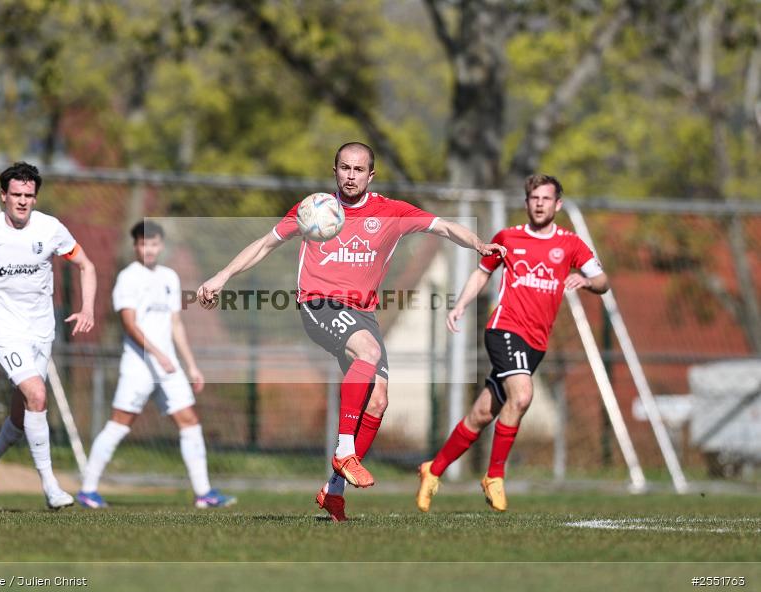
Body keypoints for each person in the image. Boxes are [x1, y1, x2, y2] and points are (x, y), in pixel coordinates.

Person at [198, 142, 505, 521]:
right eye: (344, 168)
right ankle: (345, 451)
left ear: (371, 175)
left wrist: (477, 243)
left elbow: (442, 227)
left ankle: (334, 490)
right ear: (335, 170)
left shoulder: (391, 212)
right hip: (318, 304)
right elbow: (265, 244)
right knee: (369, 353)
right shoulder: (313, 209)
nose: (350, 175)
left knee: (378, 401)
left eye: (358, 170)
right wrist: (221, 276)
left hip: (363, 314)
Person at [416, 174, 610, 513]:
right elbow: (482, 272)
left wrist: (589, 281)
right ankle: (494, 476)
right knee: (522, 395)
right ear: (526, 203)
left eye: (546, 199)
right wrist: (460, 305)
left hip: (536, 342)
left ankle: (433, 470)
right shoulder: (508, 237)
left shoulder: (571, 244)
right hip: (504, 328)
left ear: (557, 205)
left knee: (481, 413)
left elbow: (603, 280)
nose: (539, 204)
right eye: (534, 198)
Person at [0, 161, 96, 509]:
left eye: (29, 195)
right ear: (3, 195)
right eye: (16, 194)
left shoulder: (51, 229)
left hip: (40, 330)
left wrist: (88, 308)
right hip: (1, 327)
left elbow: (86, 265)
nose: (23, 201)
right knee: (37, 394)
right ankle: (50, 486)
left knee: (24, 410)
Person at [76, 221, 236, 509]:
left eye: (153, 244)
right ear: (136, 246)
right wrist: (157, 354)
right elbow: (129, 323)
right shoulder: (128, 277)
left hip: (170, 367)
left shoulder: (169, 277)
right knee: (120, 424)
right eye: (143, 244)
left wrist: (191, 365)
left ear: (160, 246)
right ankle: (88, 489)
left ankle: (204, 493)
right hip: (138, 366)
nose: (149, 249)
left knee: (189, 421)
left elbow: (175, 324)